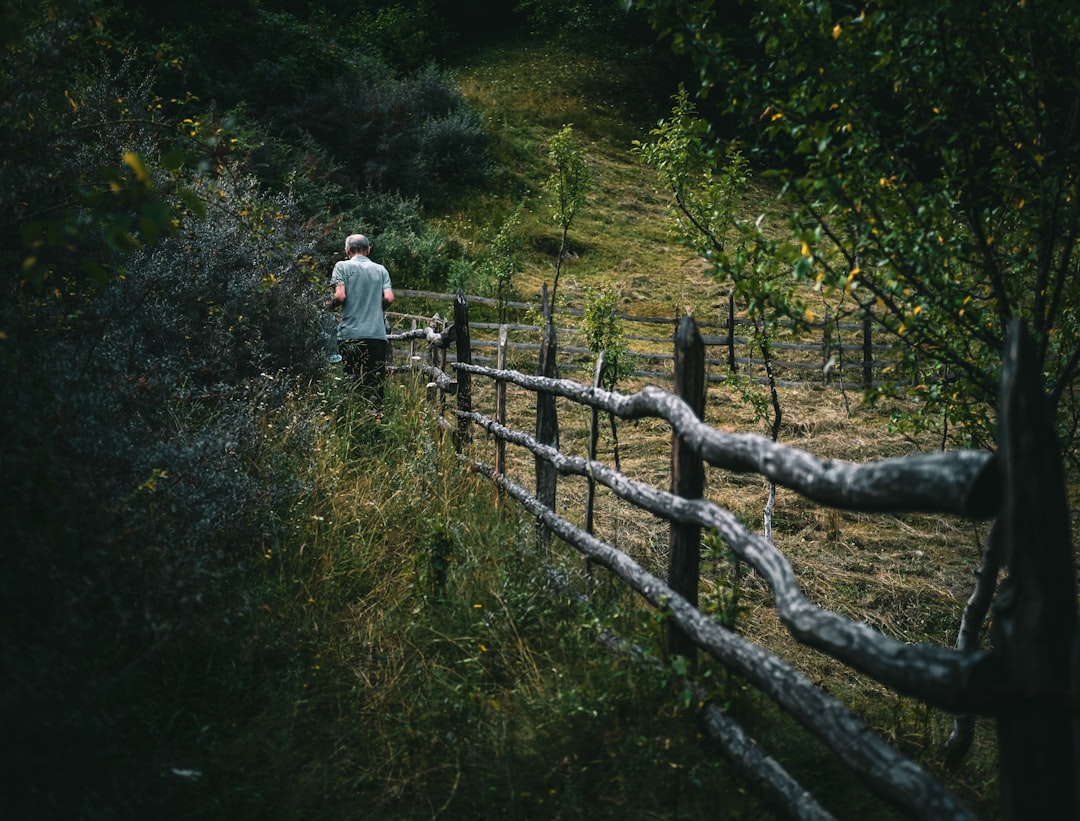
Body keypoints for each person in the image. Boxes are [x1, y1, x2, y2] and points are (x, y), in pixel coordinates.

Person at [326, 233, 394, 406]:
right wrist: (377, 312)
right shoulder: (381, 270)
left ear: (347, 250)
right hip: (377, 336)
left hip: (350, 334)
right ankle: (376, 422)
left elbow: (340, 296)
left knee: (352, 381)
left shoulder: (341, 266)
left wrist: (326, 306)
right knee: (376, 384)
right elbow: (389, 298)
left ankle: (354, 421)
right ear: (368, 250)